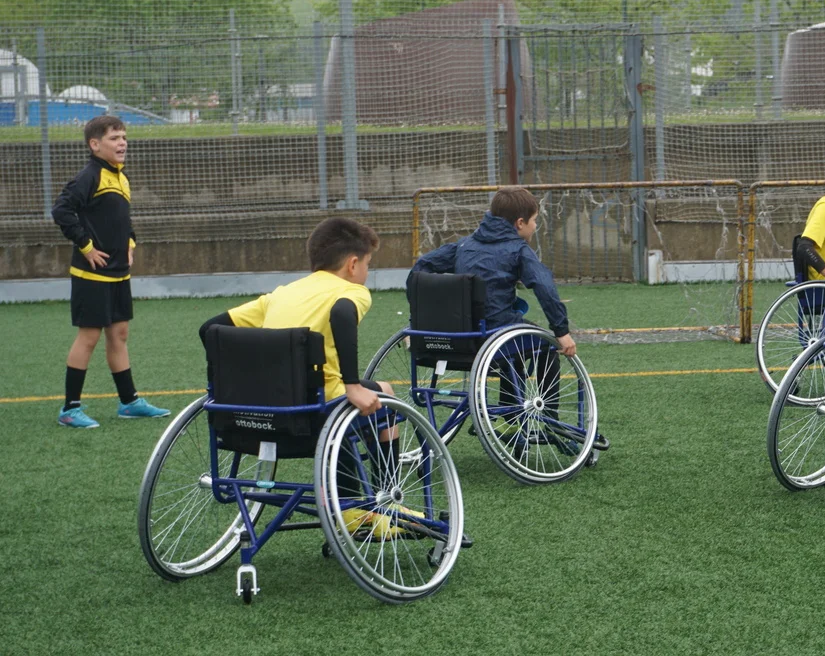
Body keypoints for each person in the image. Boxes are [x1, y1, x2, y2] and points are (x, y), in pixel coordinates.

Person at [199, 217, 405, 535]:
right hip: (311, 417)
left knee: (341, 396)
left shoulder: (282, 294)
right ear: (353, 264)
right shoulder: (352, 291)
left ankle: (350, 500)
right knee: (382, 394)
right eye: (368, 263)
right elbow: (342, 314)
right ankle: (386, 501)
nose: (366, 271)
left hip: (248, 415)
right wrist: (352, 385)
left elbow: (209, 329)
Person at [52, 115, 169, 428]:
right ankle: (70, 409)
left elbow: (122, 219)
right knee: (89, 337)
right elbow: (61, 210)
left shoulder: (121, 176)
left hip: (118, 274)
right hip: (92, 275)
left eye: (124, 137)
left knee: (119, 334)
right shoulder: (89, 176)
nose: (122, 143)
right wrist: (86, 246)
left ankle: (129, 402)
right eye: (114, 138)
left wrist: (130, 241)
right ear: (95, 144)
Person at [410, 186, 576, 358]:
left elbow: (421, 266)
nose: (535, 226)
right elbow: (543, 285)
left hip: (458, 334)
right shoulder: (519, 250)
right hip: (497, 333)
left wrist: (420, 318)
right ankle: (543, 376)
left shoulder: (464, 245)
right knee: (549, 345)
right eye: (534, 220)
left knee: (515, 333)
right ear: (520, 223)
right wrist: (561, 331)